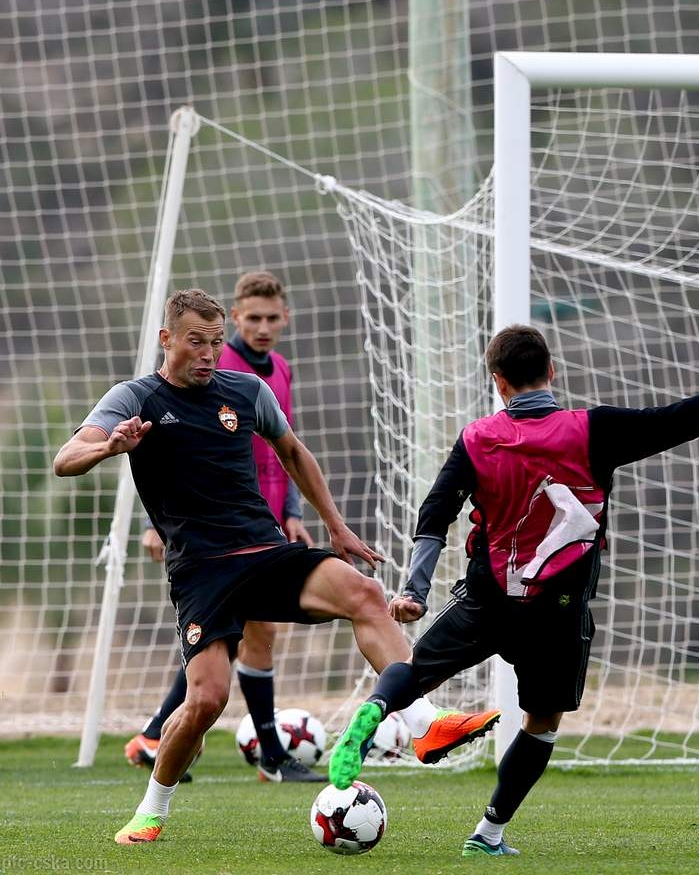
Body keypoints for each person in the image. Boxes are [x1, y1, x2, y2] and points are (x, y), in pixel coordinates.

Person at [326, 324, 699, 857]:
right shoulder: (595, 430)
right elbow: (691, 415)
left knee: (413, 672)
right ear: (552, 371)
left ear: (498, 382)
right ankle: (488, 834)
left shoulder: (477, 439)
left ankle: (378, 707)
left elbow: (435, 515)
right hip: (557, 609)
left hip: (488, 597)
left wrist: (416, 590)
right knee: (542, 723)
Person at [54, 289, 500, 845]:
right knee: (206, 700)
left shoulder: (246, 391)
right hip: (202, 573)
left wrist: (335, 526)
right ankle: (152, 807)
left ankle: (424, 723)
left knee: (364, 592)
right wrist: (109, 447)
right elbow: (65, 459)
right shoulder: (134, 397)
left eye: (216, 343)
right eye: (196, 342)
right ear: (166, 339)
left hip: (266, 553)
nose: (208, 354)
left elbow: (294, 452)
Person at [127, 271, 322, 783]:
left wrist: (293, 512)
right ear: (235, 318)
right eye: (253, 318)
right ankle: (267, 755)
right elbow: (171, 446)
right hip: (215, 533)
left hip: (262, 521)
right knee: (236, 638)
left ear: (286, 318)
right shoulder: (210, 366)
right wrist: (154, 523)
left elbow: (286, 446)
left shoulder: (276, 371)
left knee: (234, 639)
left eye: (272, 318)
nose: (262, 327)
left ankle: (159, 735)